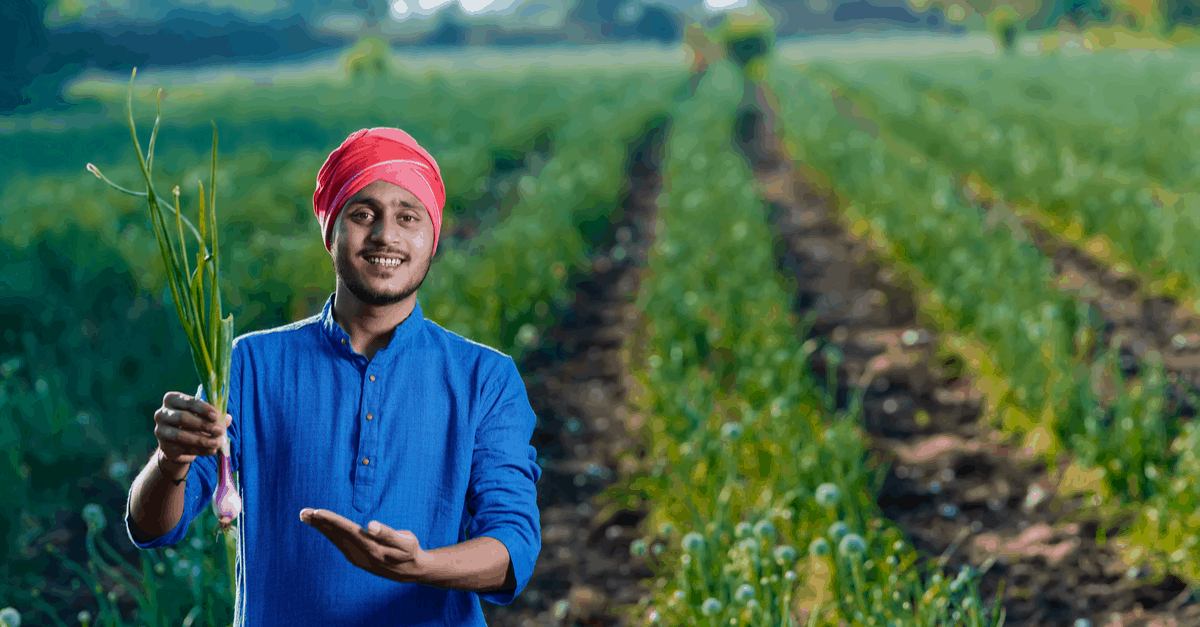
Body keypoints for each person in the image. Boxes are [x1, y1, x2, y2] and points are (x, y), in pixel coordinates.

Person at [123, 127, 542, 626]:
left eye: (408, 217)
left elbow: (512, 545)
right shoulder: (252, 364)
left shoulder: (484, 378)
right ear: (331, 232)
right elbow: (152, 527)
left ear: (433, 239)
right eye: (363, 214)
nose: (386, 234)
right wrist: (172, 459)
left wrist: (420, 565)